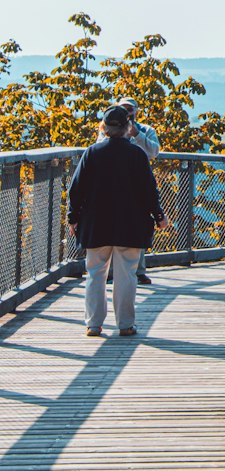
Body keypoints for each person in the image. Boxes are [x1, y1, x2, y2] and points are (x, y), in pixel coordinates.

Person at [68, 105, 165, 338]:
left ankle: (93, 324)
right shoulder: (137, 155)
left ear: (104, 127)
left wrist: (73, 218)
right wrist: (159, 216)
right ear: (128, 127)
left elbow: (76, 188)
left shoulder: (92, 152)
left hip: (96, 224)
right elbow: (149, 191)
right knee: (127, 275)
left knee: (95, 273)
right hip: (129, 225)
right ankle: (125, 324)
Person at [118, 98, 159, 286]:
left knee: (140, 226)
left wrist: (136, 135)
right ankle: (113, 271)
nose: (127, 113)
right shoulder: (110, 127)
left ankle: (139, 271)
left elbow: (153, 152)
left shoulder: (147, 130)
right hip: (116, 184)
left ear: (136, 111)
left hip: (138, 184)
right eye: (122, 109)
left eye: (130, 110)